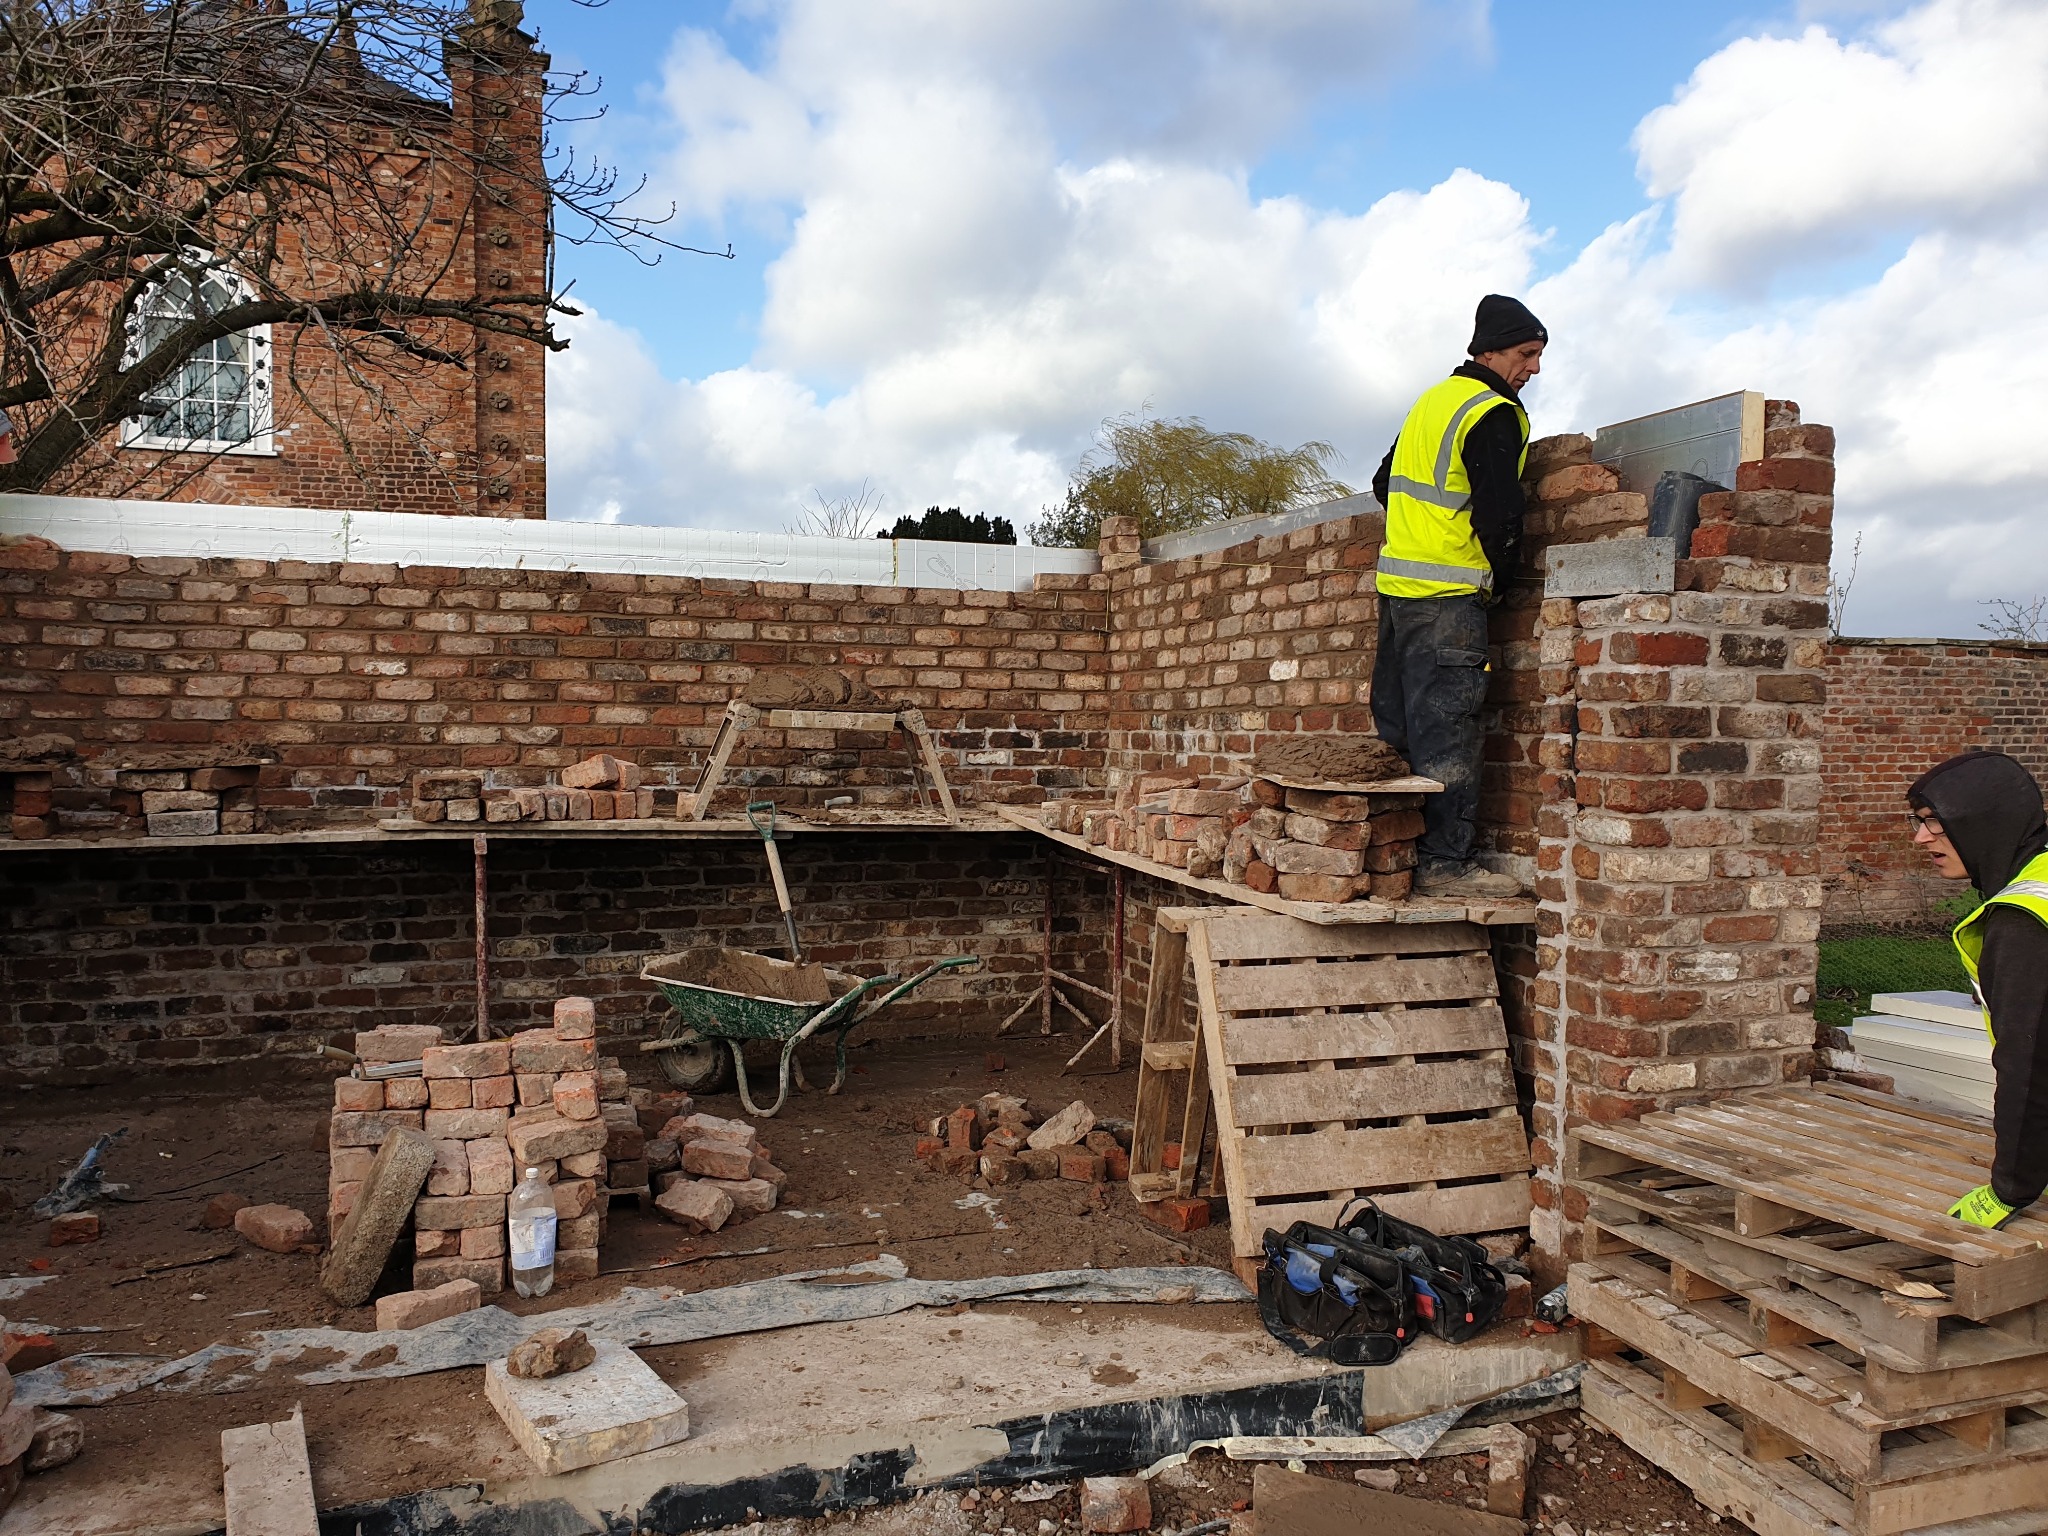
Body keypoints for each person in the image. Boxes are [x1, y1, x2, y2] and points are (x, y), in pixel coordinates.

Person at [1369, 294, 1546, 900]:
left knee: (1400, 731)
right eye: (1526, 353)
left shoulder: (1433, 401)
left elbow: (1383, 482)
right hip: (1447, 597)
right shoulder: (1491, 411)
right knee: (1448, 733)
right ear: (1489, 351)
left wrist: (1420, 531)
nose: (1534, 368)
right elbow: (1502, 516)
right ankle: (1444, 866)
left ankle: (1391, 860)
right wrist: (1503, 582)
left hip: (1397, 594)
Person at [1905, 751, 2048, 1228]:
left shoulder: (2023, 923)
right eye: (1919, 821)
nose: (1921, 837)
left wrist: (2010, 1189)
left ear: (1981, 820)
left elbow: (2029, 1064)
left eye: (1934, 822)